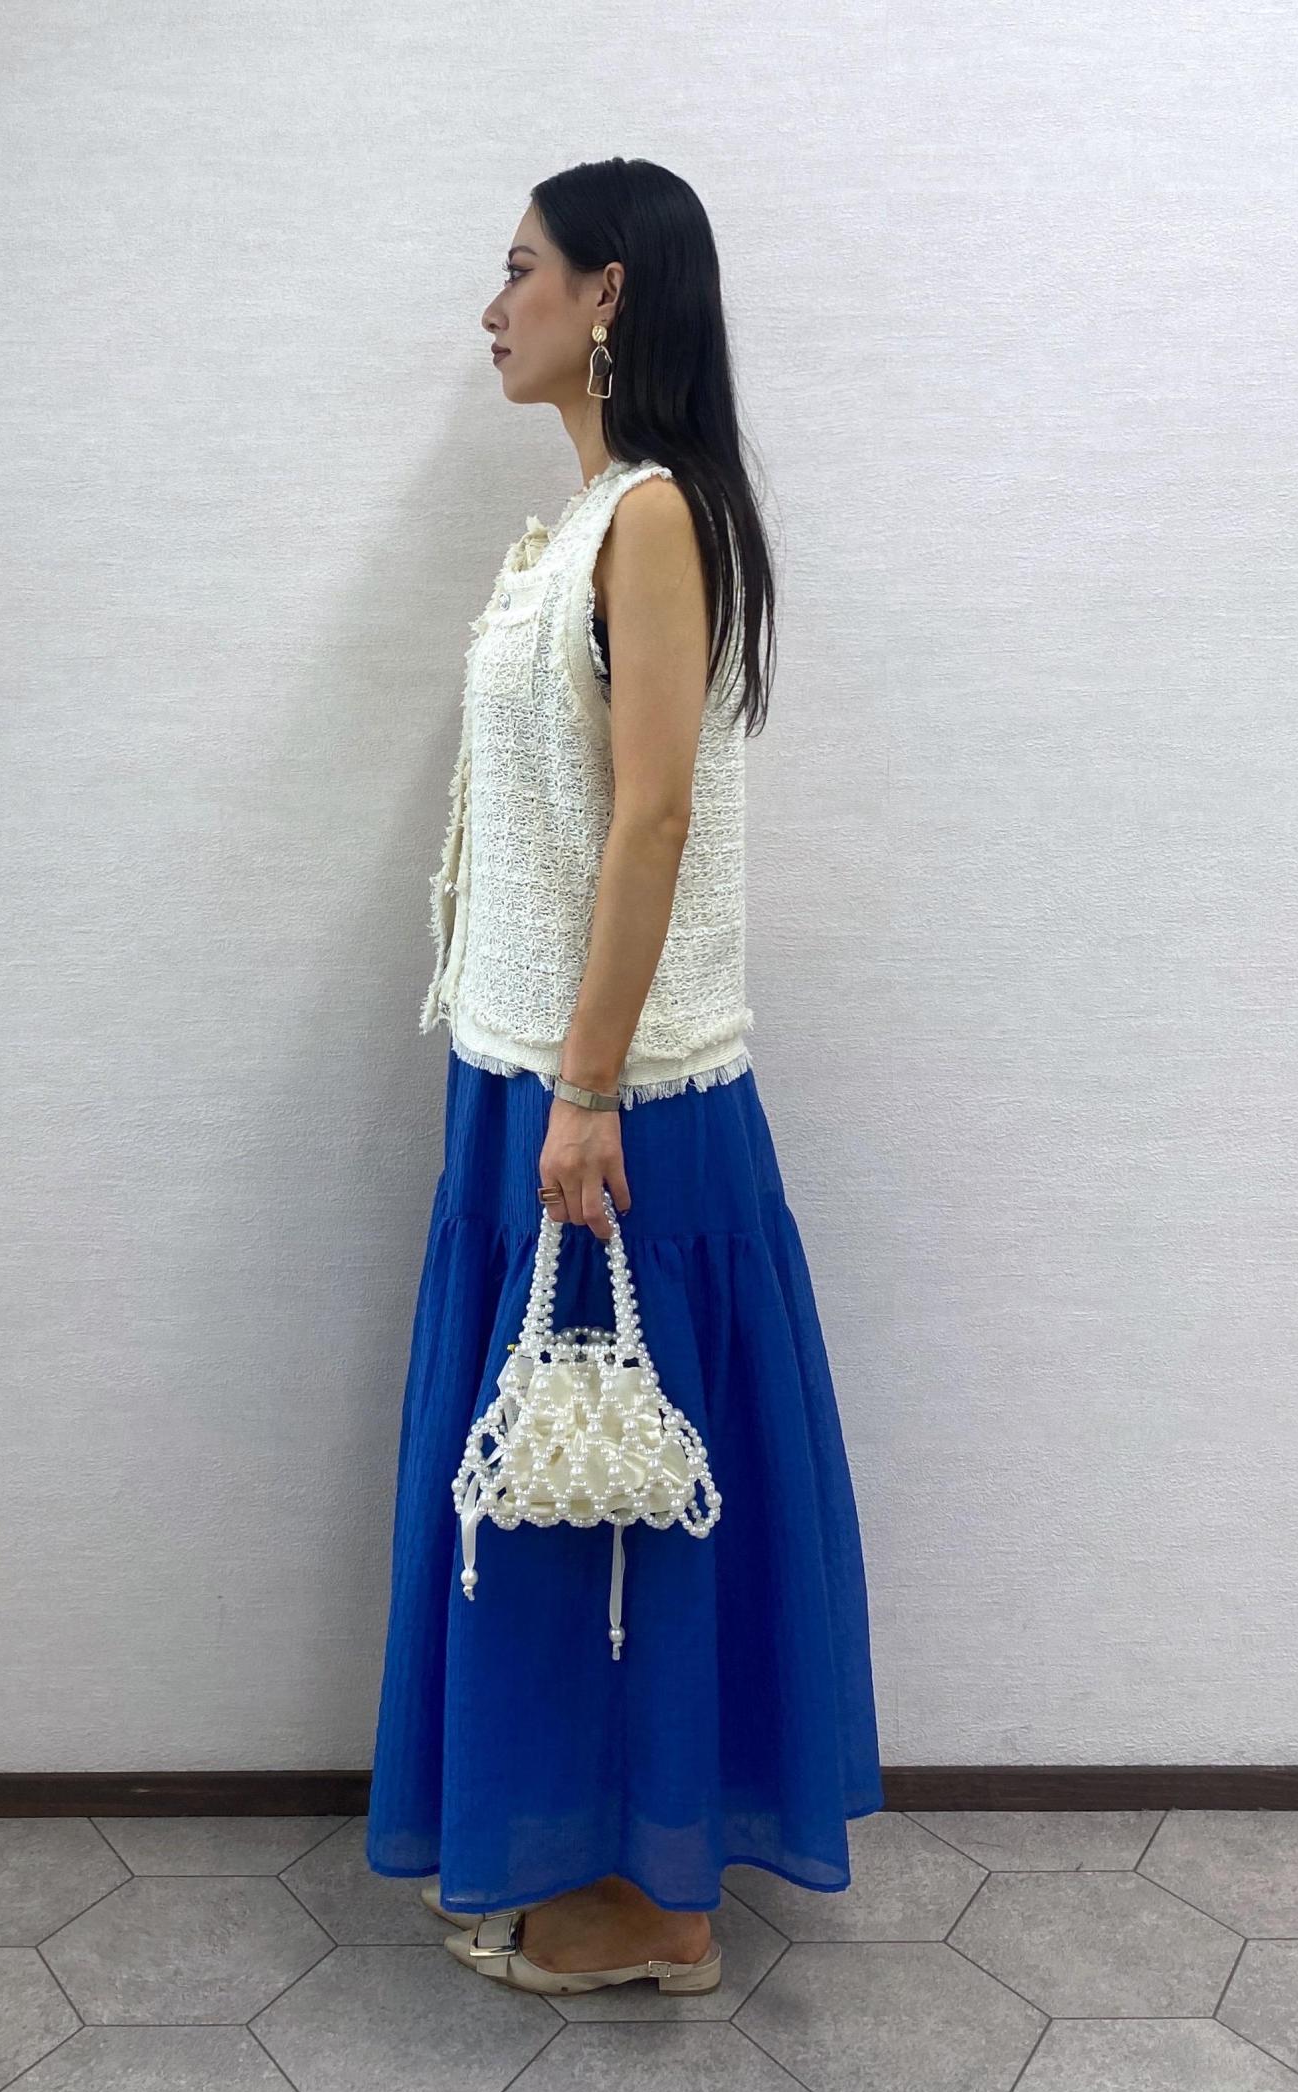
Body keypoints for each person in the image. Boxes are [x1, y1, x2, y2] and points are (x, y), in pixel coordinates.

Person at [364, 156, 884, 1998]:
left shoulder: (653, 516)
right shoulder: (577, 524)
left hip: (621, 1093)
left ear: (609, 296)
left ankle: (663, 1907)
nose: (490, 305)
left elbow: (652, 813)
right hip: (536, 1070)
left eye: (521, 269)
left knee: (627, 1478)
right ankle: (603, 1853)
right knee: (560, 1473)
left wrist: (584, 1089)